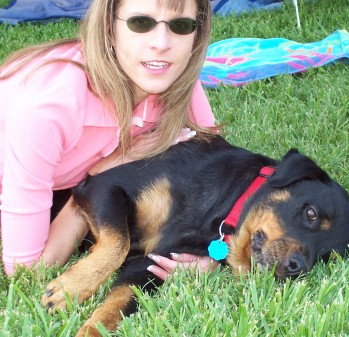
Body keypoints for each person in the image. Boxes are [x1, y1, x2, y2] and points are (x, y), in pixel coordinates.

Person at [0, 0, 219, 277]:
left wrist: (213, 255)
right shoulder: (48, 108)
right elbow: (27, 272)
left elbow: (218, 183)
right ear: (108, 27)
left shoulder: (173, 77)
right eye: (141, 22)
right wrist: (101, 174)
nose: (162, 43)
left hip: (61, 180)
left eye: (180, 25)